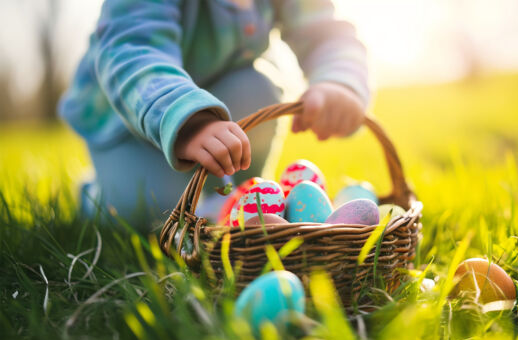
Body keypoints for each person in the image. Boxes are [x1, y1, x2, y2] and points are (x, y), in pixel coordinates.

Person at [58, 0, 369, 231]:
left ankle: (229, 203)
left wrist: (339, 81)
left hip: (221, 98)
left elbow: (323, 32)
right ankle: (96, 194)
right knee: (148, 213)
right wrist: (190, 119)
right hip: (128, 116)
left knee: (258, 90)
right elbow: (131, 47)